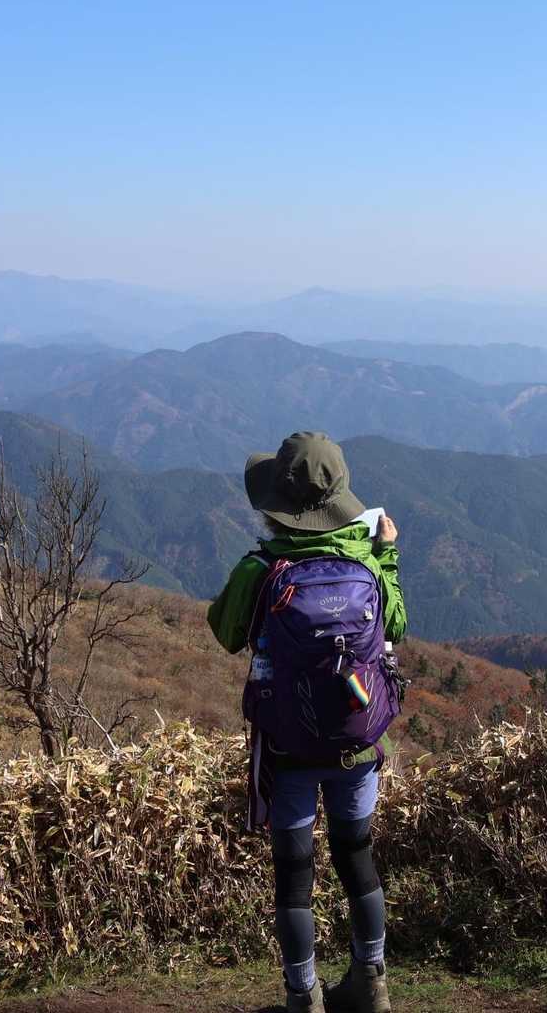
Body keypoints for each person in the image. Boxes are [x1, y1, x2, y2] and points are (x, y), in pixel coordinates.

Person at [208, 431, 406, 1013]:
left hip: (288, 747)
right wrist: (386, 555)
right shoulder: (365, 561)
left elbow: (225, 633)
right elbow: (396, 625)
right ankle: (371, 983)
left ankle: (303, 996)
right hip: (357, 743)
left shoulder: (261, 568)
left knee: (294, 874)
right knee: (357, 855)